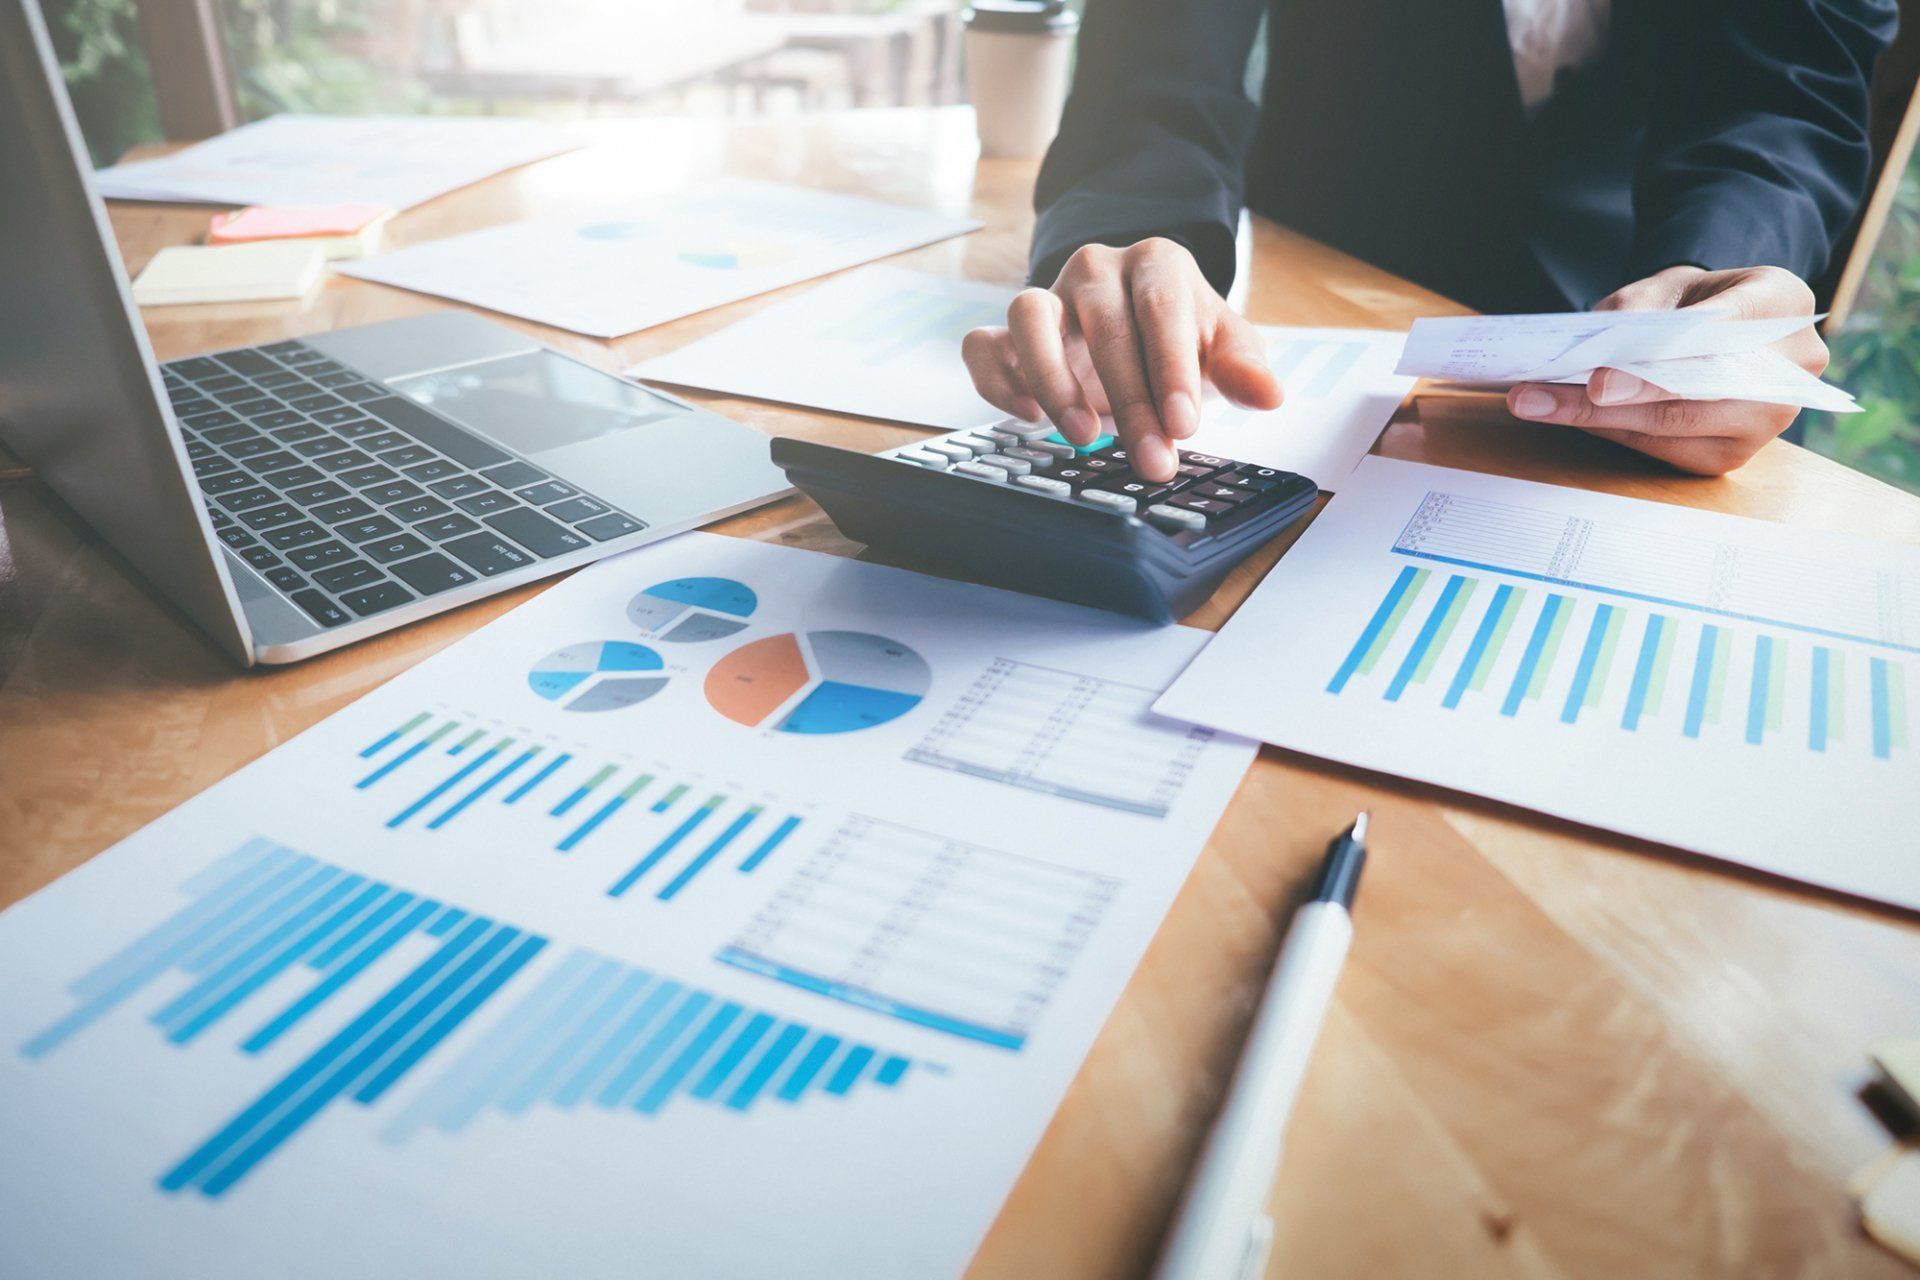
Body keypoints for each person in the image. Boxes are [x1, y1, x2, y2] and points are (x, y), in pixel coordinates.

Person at [962, 0, 1899, 481]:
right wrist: (1136, 244)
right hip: (1320, 323)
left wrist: (1713, 276)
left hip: (1669, 346)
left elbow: (1786, 92)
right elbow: (1156, 66)